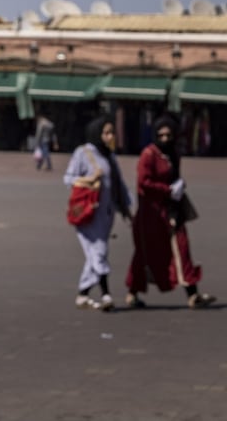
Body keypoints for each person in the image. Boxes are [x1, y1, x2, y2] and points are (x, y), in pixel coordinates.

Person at [125, 115, 216, 309]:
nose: (165, 139)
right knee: (145, 253)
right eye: (161, 135)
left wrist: (178, 188)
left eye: (168, 135)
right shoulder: (149, 154)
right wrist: (167, 189)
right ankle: (133, 292)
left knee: (182, 248)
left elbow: (175, 177)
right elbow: (143, 182)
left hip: (171, 210)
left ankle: (193, 293)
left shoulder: (173, 154)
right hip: (151, 214)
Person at [64, 116, 132, 311]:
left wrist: (127, 208)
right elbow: (68, 178)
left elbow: (119, 184)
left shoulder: (109, 155)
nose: (110, 136)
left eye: (112, 132)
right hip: (87, 213)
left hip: (106, 214)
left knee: (95, 253)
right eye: (106, 133)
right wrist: (90, 178)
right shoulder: (83, 153)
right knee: (99, 251)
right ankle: (106, 294)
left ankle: (83, 295)